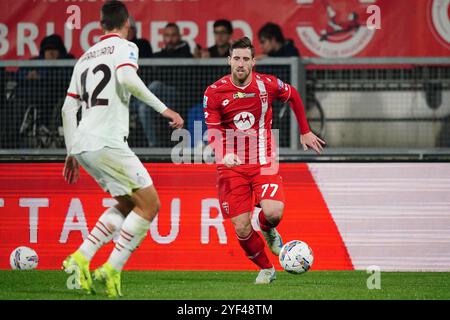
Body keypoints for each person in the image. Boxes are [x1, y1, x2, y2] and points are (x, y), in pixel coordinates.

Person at [61, 0, 184, 298]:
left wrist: (71, 150)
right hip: (108, 142)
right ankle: (112, 268)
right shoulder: (125, 47)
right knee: (150, 204)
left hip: (85, 145)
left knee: (130, 204)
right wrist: (164, 109)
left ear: (101, 24)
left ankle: (80, 257)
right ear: (126, 23)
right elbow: (128, 79)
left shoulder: (85, 57)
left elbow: (68, 108)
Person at [203, 37, 325, 284]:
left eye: (245, 59)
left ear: (253, 61)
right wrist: (222, 153)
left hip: (263, 160)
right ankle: (268, 269)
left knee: (273, 213)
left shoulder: (267, 84)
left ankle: (268, 229)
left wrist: (305, 130)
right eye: (236, 58)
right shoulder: (214, 92)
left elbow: (293, 95)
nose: (240, 63)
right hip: (231, 167)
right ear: (229, 60)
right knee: (241, 227)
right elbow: (213, 131)